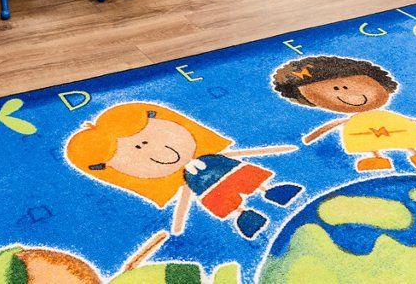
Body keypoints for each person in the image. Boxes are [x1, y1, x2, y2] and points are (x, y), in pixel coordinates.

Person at [67, 103, 301, 246]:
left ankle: (271, 191)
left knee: (249, 179)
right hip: (205, 187)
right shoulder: (183, 178)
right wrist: (179, 220)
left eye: (146, 139)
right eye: (138, 147)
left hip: (226, 169)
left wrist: (273, 149)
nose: (150, 149)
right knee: (226, 200)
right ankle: (245, 215)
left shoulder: (209, 154)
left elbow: (242, 152)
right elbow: (185, 196)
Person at [272, 55, 416, 172]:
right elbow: (331, 126)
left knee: (408, 138)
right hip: (360, 129)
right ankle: (376, 158)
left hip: (395, 125)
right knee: (370, 144)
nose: (346, 93)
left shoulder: (390, 114)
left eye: (347, 86)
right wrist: (312, 136)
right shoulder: (351, 119)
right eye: (336, 89)